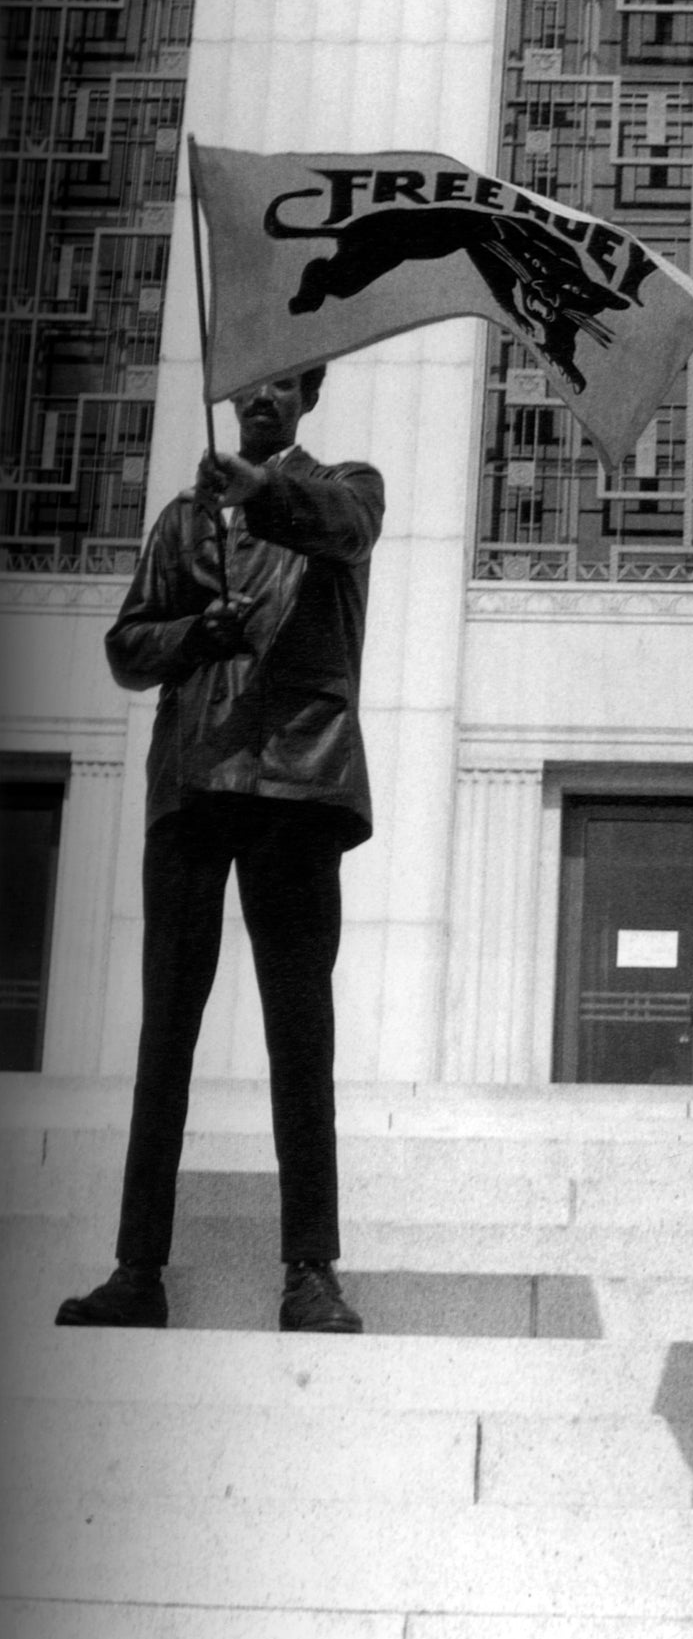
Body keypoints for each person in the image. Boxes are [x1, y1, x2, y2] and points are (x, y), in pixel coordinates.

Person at [56, 365, 382, 1336]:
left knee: (299, 1035)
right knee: (167, 1036)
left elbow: (345, 528)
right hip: (194, 785)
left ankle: (311, 1271)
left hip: (294, 785)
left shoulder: (344, 486)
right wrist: (198, 632)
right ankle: (136, 1268)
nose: (264, 400)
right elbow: (127, 646)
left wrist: (260, 494)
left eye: (284, 387)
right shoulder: (180, 520)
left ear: (308, 399)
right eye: (252, 388)